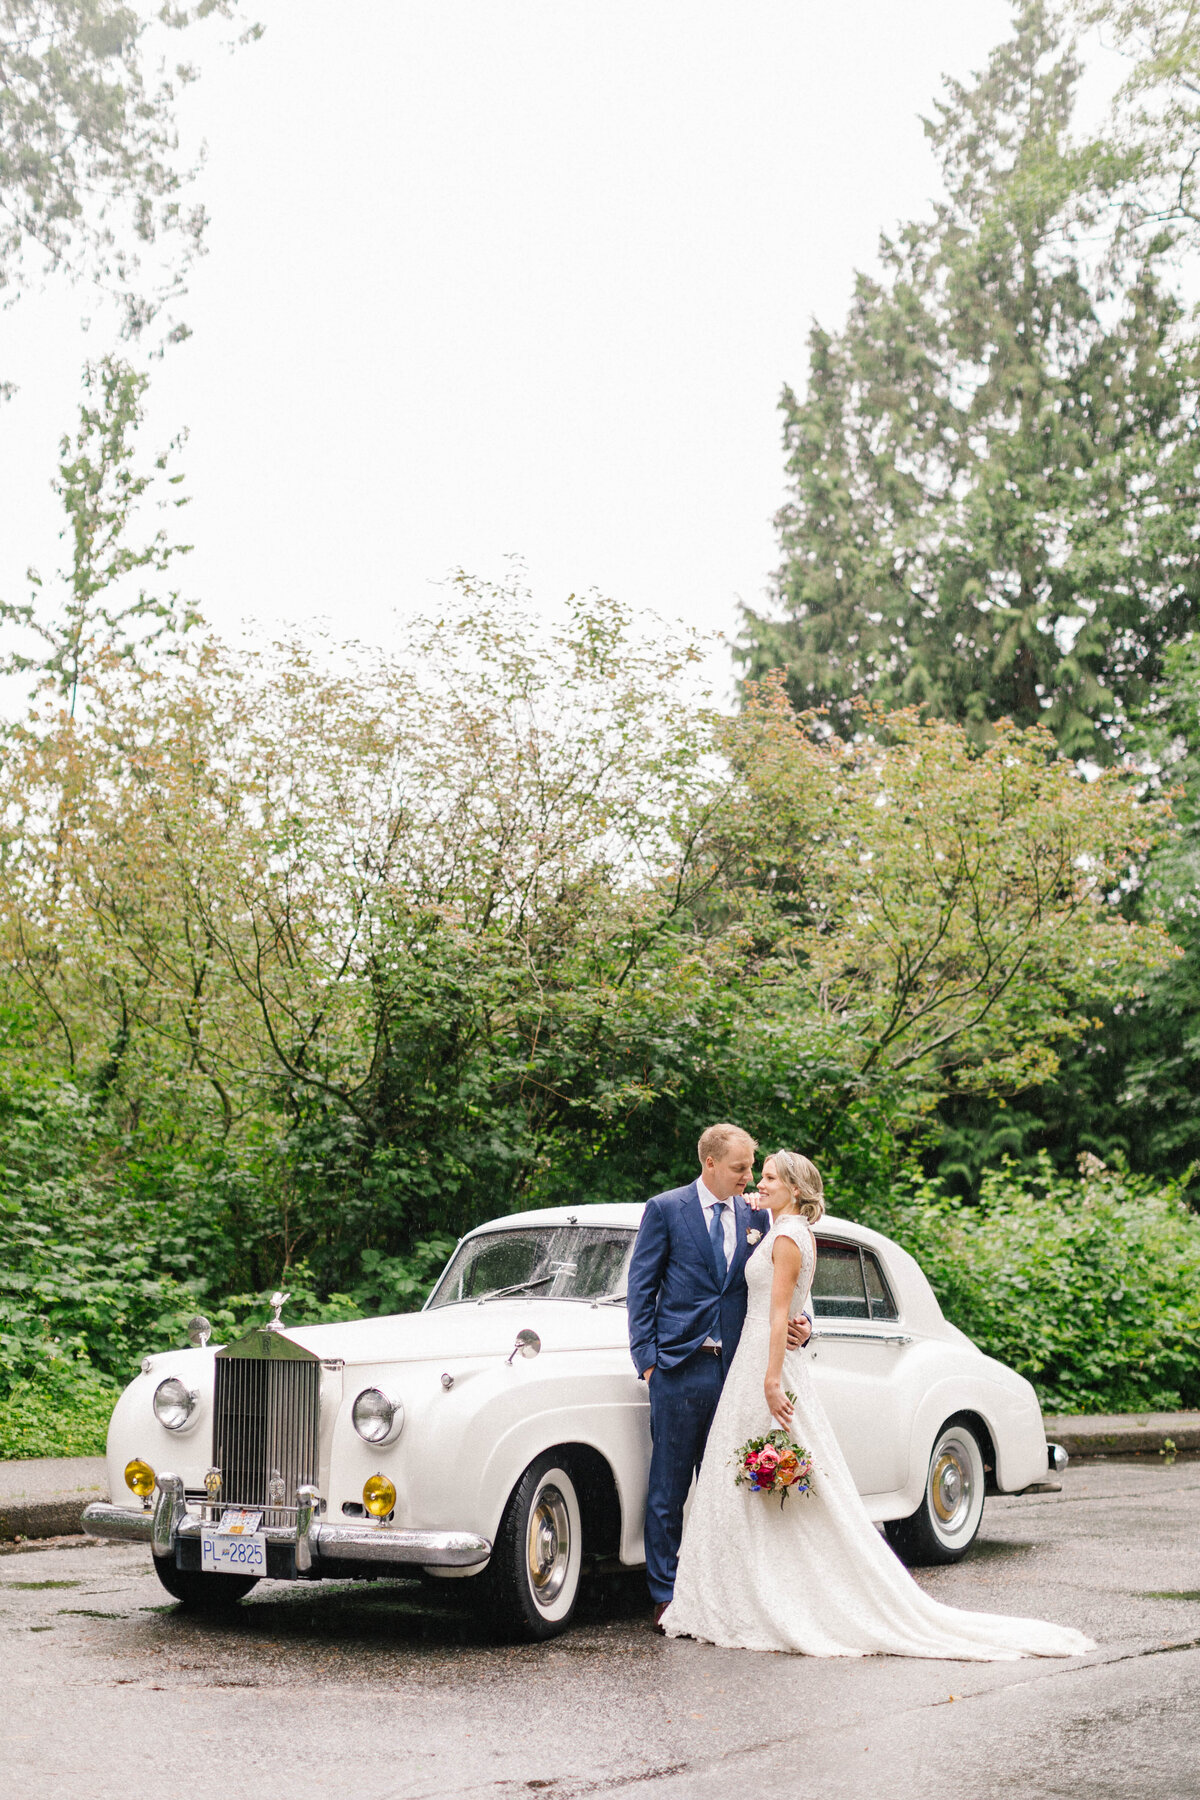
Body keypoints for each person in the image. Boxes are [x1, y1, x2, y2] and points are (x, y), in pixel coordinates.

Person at [662, 1150, 1095, 1659]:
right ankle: (745, 1589)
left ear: (796, 1190)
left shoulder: (785, 1236)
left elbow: (782, 1314)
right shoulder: (788, 1228)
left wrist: (773, 1379)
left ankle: (755, 1594)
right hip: (760, 1356)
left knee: (764, 1476)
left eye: (771, 1177)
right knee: (750, 1479)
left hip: (767, 1360)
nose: (760, 1182)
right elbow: (789, 1301)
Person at [626, 1123, 812, 1627]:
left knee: (727, 1488)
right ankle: (666, 1592)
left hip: (739, 1371)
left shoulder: (757, 1214)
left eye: (753, 1167)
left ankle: (720, 1589)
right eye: (740, 1168)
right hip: (679, 1368)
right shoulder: (666, 1209)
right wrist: (647, 1360)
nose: (749, 1177)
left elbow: (791, 1284)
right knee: (667, 1488)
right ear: (709, 1164)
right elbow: (641, 1287)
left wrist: (805, 1325)